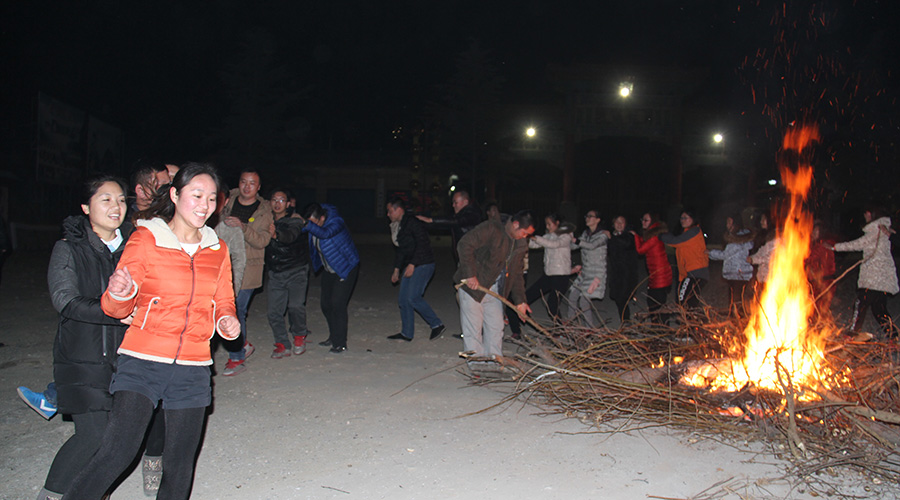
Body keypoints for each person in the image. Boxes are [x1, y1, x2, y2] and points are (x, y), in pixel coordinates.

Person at [63, 162, 240, 500]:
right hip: (143, 360)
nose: (204, 205)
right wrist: (119, 293)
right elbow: (116, 309)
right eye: (196, 195)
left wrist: (226, 322)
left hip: (193, 366)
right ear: (174, 195)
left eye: (211, 198)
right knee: (117, 452)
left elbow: (224, 301)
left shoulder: (218, 249)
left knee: (180, 464)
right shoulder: (146, 238)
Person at [30, 176, 134, 500]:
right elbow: (65, 300)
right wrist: (113, 312)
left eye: (121, 199)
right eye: (106, 199)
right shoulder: (68, 248)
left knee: (116, 440)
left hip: (127, 358)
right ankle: (52, 494)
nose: (116, 206)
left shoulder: (135, 249)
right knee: (93, 436)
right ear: (86, 207)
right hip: (82, 357)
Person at [455, 210, 535, 372]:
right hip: (473, 286)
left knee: (496, 326)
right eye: (525, 233)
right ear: (515, 225)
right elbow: (465, 244)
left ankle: (494, 360)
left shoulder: (520, 244)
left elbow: (517, 273)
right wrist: (470, 274)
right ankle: (476, 363)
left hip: (496, 290)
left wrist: (520, 301)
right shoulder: (492, 228)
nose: (525, 237)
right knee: (473, 327)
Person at [220, 169, 272, 376]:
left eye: (252, 183)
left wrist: (243, 227)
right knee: (223, 308)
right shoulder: (226, 199)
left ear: (258, 187)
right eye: (244, 182)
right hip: (224, 263)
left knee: (236, 310)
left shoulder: (264, 211)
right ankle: (243, 344)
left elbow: (263, 241)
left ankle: (236, 357)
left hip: (250, 266)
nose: (247, 186)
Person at [831, 205, 899, 339]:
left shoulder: (876, 231)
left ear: (871, 214)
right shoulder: (884, 230)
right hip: (882, 280)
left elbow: (856, 244)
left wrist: (834, 247)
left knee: (860, 304)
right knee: (879, 310)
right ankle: (893, 337)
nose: (865, 216)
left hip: (872, 279)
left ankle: (852, 334)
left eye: (866, 213)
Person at [301, 203, 360, 353]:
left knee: (337, 304)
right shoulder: (315, 223)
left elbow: (325, 234)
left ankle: (340, 343)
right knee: (326, 305)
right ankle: (334, 336)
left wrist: (307, 225)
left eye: (314, 223)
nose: (312, 226)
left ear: (322, 218)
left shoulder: (336, 222)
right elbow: (302, 230)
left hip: (345, 267)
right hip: (329, 268)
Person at [385, 197, 445, 341]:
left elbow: (423, 243)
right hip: (411, 264)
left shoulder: (412, 222)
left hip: (424, 263)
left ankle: (436, 324)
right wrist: (396, 269)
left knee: (413, 297)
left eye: (390, 211)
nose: (388, 214)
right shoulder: (399, 225)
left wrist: (413, 264)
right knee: (403, 300)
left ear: (399, 210)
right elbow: (401, 250)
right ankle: (407, 333)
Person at [265, 189, 311, 358]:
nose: (277, 203)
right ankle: (282, 343)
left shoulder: (295, 220)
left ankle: (299, 336)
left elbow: (290, 236)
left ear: (288, 203)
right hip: (276, 272)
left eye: (281, 200)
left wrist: (276, 234)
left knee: (295, 306)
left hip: (296, 269)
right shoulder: (265, 219)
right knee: (274, 312)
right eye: (274, 200)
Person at [519, 213, 578, 325]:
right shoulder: (549, 235)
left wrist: (535, 238)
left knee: (552, 304)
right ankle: (524, 316)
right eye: (546, 224)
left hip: (561, 275)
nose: (547, 227)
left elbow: (554, 244)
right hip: (549, 274)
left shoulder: (566, 236)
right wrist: (524, 238)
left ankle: (560, 328)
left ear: (557, 223)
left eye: (549, 224)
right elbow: (536, 244)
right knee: (529, 295)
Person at [566, 210, 610, 327]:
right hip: (585, 272)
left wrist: (576, 240)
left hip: (596, 274)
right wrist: (566, 240)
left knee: (584, 301)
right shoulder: (585, 234)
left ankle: (589, 328)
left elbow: (591, 246)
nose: (587, 218)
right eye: (586, 216)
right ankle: (570, 324)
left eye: (591, 216)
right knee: (572, 296)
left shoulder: (603, 235)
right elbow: (574, 246)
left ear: (598, 220)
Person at [417, 190, 483, 263]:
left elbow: (457, 221)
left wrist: (431, 220)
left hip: (472, 256)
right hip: (465, 255)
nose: (453, 205)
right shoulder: (461, 214)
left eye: (456, 202)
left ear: (465, 202)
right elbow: (447, 224)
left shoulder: (473, 214)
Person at [707, 212, 754, 316]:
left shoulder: (737, 240)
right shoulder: (743, 238)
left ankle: (738, 319)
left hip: (738, 273)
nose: (727, 225)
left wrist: (710, 253)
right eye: (727, 222)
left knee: (736, 300)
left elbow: (725, 255)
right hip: (738, 273)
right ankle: (735, 318)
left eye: (729, 222)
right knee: (735, 298)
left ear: (736, 224)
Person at [660, 210, 709, 308]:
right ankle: (697, 317)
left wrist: (660, 235)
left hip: (695, 272)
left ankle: (690, 317)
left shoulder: (694, 231)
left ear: (693, 219)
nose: (682, 220)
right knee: (690, 302)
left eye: (685, 218)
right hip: (692, 272)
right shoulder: (687, 233)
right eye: (681, 218)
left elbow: (675, 241)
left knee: (684, 301)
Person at [633, 212, 673, 315]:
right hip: (656, 274)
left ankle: (660, 324)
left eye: (646, 220)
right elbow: (645, 243)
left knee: (655, 304)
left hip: (660, 275)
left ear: (652, 221)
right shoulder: (652, 234)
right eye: (642, 220)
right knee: (655, 303)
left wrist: (635, 236)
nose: (643, 222)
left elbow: (640, 250)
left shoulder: (654, 236)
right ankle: (658, 323)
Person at [607, 215, 639, 322]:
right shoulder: (612, 236)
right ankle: (625, 320)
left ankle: (626, 321)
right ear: (613, 224)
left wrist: (611, 237)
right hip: (616, 272)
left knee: (622, 297)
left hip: (627, 273)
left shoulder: (629, 236)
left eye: (622, 222)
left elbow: (626, 244)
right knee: (618, 297)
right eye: (617, 222)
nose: (619, 224)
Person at [806, 219, 836, 320]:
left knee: (820, 308)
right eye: (813, 231)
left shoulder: (822, 246)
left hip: (825, 281)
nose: (813, 234)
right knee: (815, 307)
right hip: (818, 281)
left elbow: (810, 258)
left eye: (816, 231)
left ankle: (823, 325)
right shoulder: (816, 245)